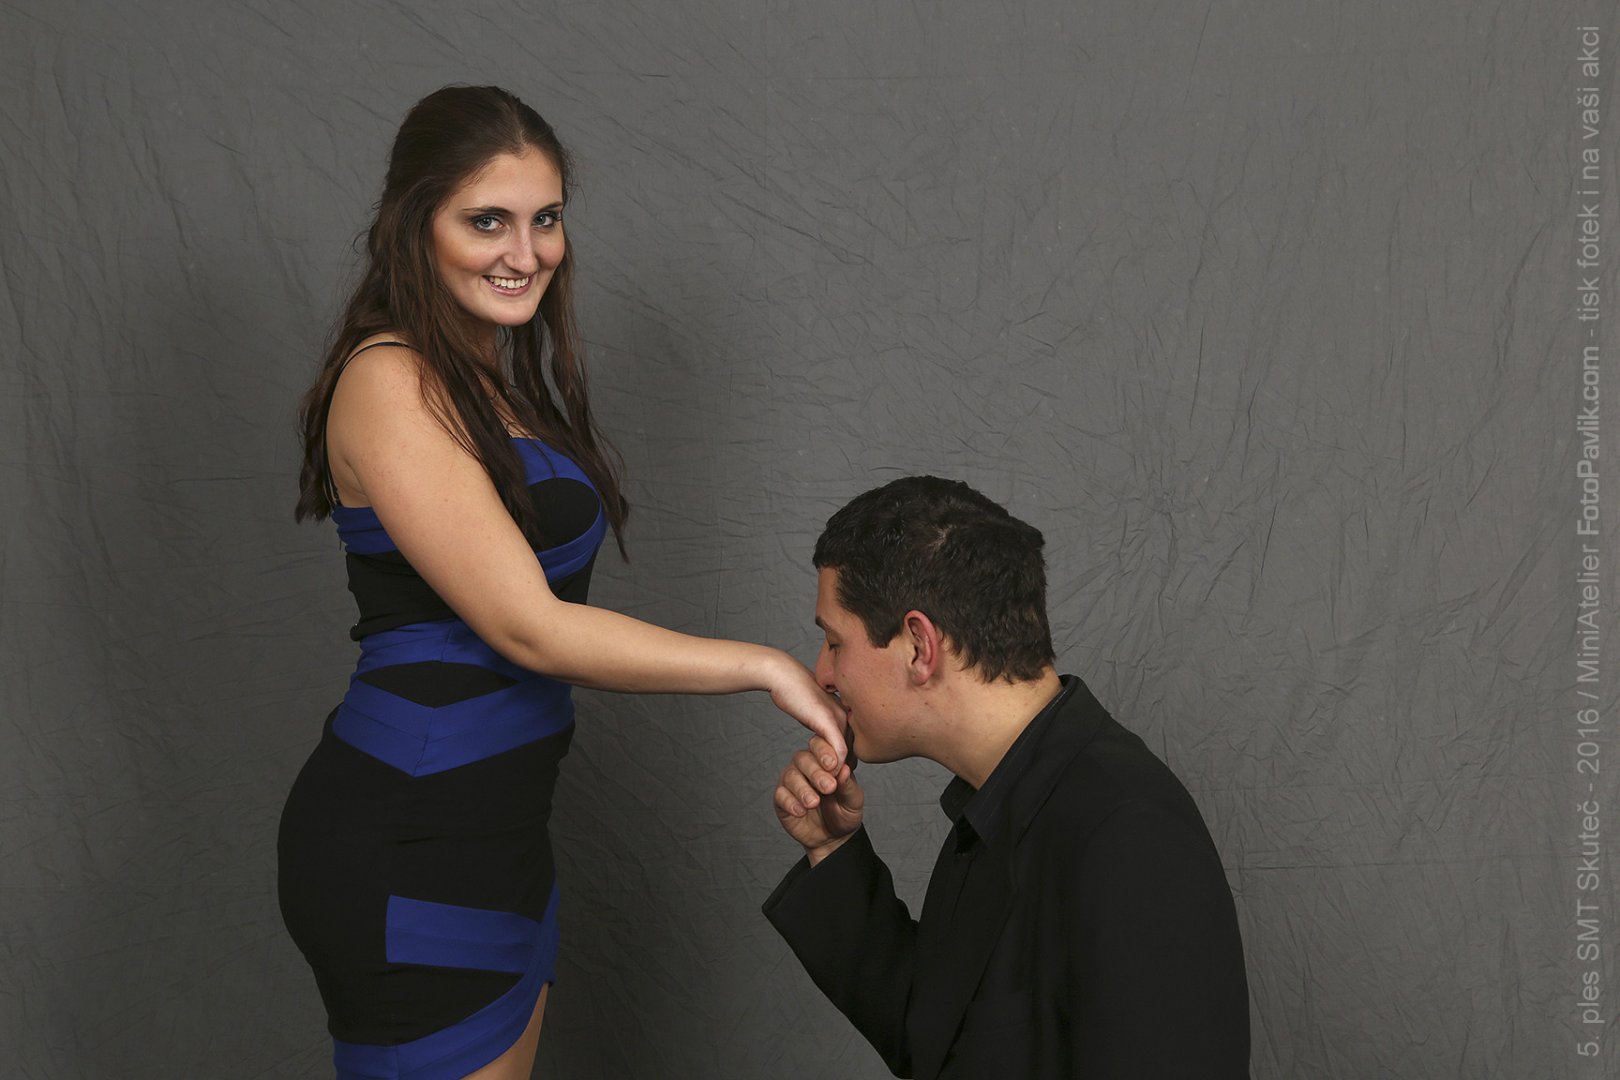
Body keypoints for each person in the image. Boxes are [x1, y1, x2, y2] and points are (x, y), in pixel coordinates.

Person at [276, 85, 845, 1080]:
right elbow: (528, 628)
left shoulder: (485, 379)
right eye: (486, 221)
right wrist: (763, 666)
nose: (525, 251)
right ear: (415, 225)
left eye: (545, 219)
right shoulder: (389, 378)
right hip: (410, 833)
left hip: (499, 830)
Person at [765, 476, 1250, 1079]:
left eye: (834, 641)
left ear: (919, 646)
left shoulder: (1130, 834)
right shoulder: (1001, 804)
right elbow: (940, 1043)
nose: (822, 674)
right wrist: (831, 849)